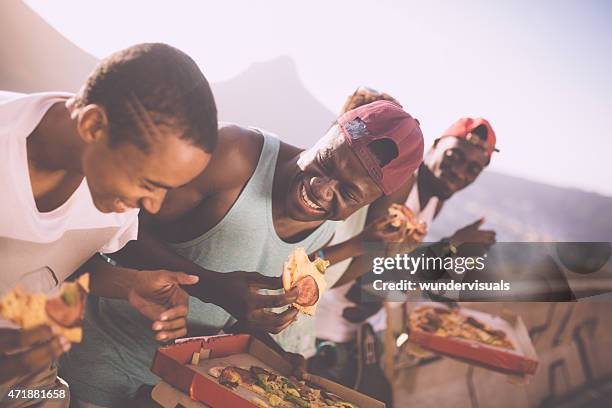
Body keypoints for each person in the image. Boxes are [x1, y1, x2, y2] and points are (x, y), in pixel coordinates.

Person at [59, 99, 425, 406]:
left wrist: (268, 346)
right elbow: (114, 229)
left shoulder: (325, 228)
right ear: (326, 134)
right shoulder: (233, 155)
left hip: (172, 389)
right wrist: (211, 286)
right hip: (90, 369)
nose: (320, 189)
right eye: (326, 163)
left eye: (347, 194)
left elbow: (228, 316)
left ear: (367, 204)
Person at [0, 43, 218, 407]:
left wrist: (129, 283)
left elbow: (60, 262)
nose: (153, 205)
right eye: (150, 183)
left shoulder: (114, 195)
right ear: (93, 125)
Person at [311, 87, 498, 394]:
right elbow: (363, 281)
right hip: (326, 328)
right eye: (454, 157)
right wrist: (449, 247)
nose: (460, 172)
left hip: (357, 334)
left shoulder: (433, 199)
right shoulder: (402, 184)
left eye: (473, 169)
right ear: (435, 146)